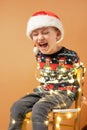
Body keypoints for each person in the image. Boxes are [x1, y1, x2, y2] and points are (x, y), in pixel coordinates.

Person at [8, 11, 86, 130]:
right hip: (44, 91)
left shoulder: (70, 55)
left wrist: (79, 90)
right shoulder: (39, 54)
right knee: (17, 107)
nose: (40, 37)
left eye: (45, 33)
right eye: (35, 34)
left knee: (39, 108)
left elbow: (80, 71)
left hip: (64, 93)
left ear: (57, 35)